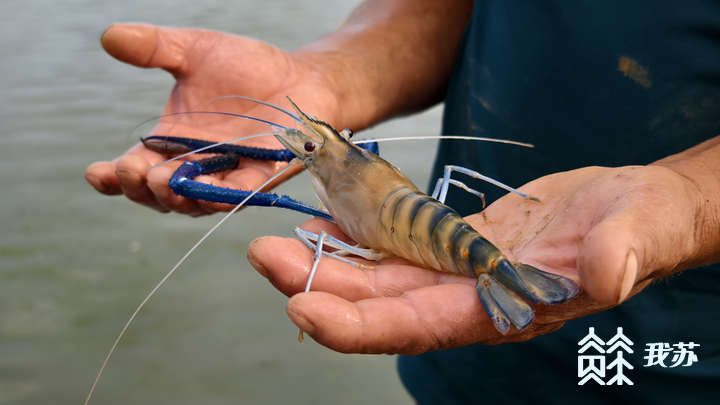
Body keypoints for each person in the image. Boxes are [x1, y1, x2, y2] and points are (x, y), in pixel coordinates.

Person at [86, 0, 720, 402]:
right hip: (462, 374)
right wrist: (331, 75)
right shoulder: (343, 162)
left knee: (307, 226)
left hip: (670, 366)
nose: (308, 151)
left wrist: (694, 199)